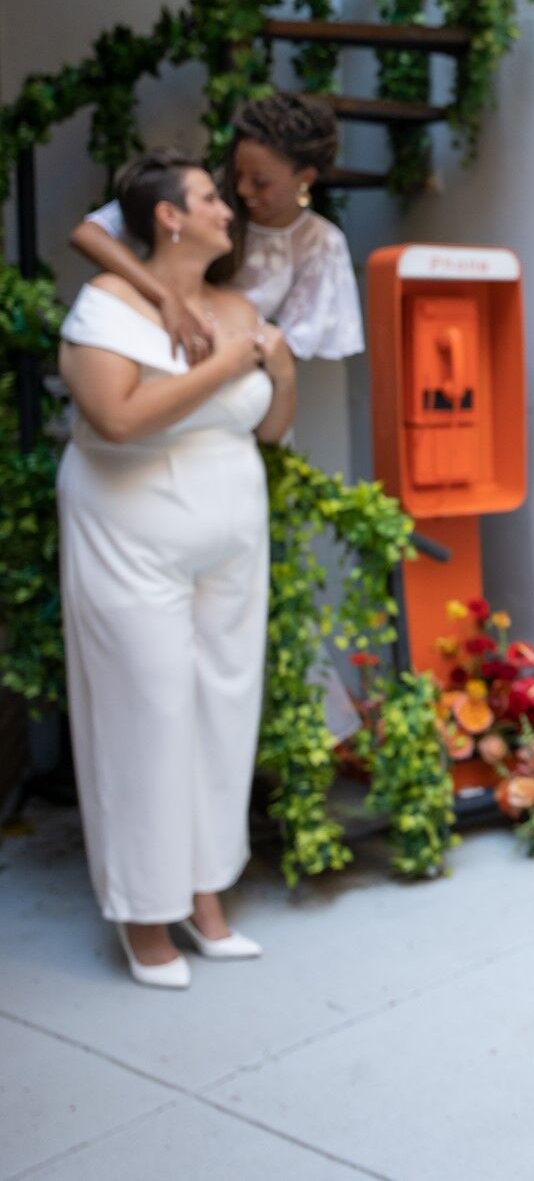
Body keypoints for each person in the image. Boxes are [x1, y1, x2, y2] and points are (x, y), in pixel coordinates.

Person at [57, 150, 296, 989]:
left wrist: (280, 368)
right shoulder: (107, 305)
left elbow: (268, 431)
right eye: (209, 197)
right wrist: (227, 365)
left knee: (223, 711)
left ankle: (205, 898)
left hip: (231, 537)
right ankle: (141, 914)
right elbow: (117, 420)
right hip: (131, 535)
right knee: (146, 716)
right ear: (168, 216)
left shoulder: (237, 304)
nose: (229, 208)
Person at [69, 92, 364, 367]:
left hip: (235, 375)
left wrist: (225, 363)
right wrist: (165, 298)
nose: (241, 188)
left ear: (306, 178)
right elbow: (89, 234)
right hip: (157, 345)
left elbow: (286, 350)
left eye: (261, 182)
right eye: (237, 172)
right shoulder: (200, 193)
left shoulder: (320, 242)